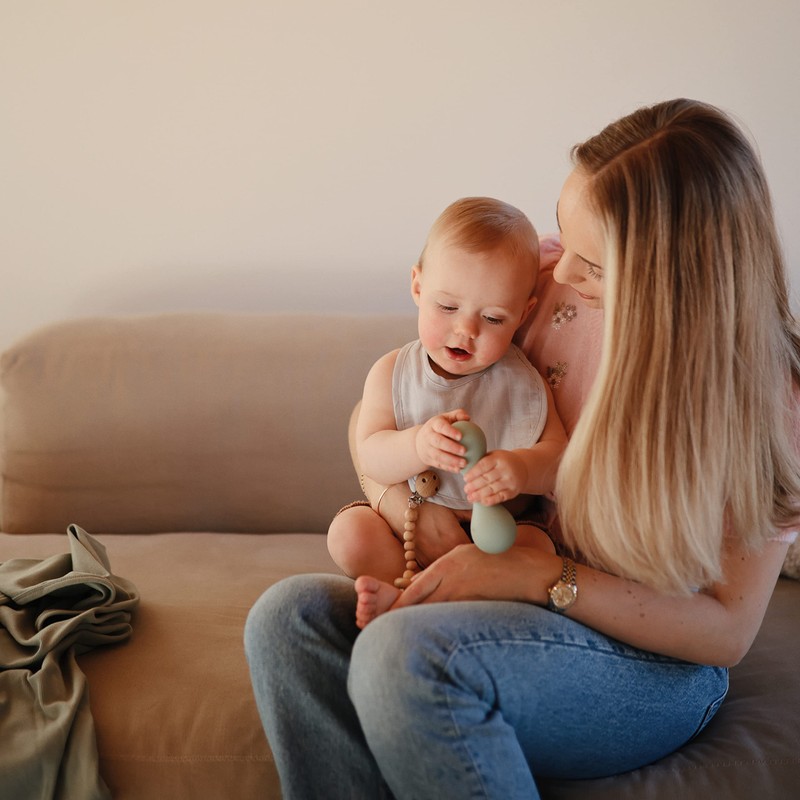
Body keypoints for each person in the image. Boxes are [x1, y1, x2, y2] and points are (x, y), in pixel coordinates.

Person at [244, 99, 800, 799]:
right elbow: (381, 415)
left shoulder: (766, 400)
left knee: (403, 657)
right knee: (287, 619)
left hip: (649, 663)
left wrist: (538, 575)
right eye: (564, 233)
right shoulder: (540, 288)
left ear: (668, 281)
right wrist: (408, 508)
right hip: (504, 600)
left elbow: (726, 633)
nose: (559, 271)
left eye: (591, 264)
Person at [327, 197, 566, 619]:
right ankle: (406, 594)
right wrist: (417, 444)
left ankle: (423, 608)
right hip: (407, 535)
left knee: (540, 548)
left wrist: (521, 468)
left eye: (493, 318)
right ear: (418, 287)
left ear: (523, 313)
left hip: (499, 536)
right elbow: (372, 455)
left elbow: (559, 459)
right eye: (448, 307)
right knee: (349, 533)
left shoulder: (525, 384)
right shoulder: (392, 373)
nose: (466, 329)